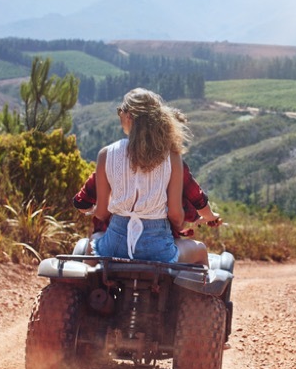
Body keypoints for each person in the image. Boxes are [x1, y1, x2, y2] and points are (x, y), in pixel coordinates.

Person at [91, 88, 188, 264]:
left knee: (89, 246)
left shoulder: (106, 154)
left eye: (120, 111)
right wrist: (181, 224)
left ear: (129, 117)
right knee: (200, 251)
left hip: (115, 246)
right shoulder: (172, 157)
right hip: (157, 248)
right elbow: (175, 215)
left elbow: (102, 213)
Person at [73, 163, 222, 262]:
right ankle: (196, 303)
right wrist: (210, 217)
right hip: (159, 251)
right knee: (200, 250)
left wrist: (97, 210)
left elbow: (81, 203)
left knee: (91, 246)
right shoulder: (174, 166)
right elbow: (195, 206)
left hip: (112, 247)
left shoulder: (113, 159)